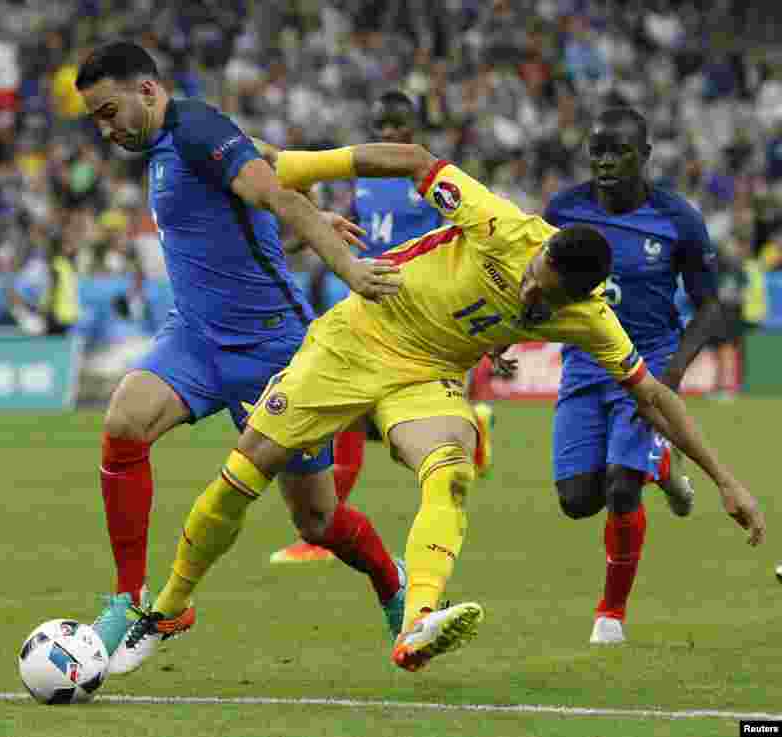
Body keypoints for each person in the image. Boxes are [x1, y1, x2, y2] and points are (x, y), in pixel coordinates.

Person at [117, 142, 765, 675]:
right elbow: (411, 157)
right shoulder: (499, 224)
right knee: (244, 473)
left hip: (425, 376)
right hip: (356, 337)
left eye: (545, 298)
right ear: (541, 248)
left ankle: (419, 617)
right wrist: (298, 162)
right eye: (534, 277)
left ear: (579, 296)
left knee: (450, 466)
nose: (531, 293)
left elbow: (653, 395)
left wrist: (726, 480)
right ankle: (171, 605)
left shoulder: (590, 317)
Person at [74, 41, 408, 673]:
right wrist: (303, 240)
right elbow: (240, 229)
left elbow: (283, 197)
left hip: (271, 350)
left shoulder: (200, 131)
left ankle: (393, 582)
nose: (106, 128)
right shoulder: (162, 148)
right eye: (96, 117)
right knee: (122, 425)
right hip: (195, 338)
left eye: (109, 111)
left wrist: (351, 270)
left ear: (148, 91)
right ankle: (130, 599)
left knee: (317, 519)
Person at [269, 90, 495, 564]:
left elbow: (466, 242)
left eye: (398, 126)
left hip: (426, 309)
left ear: (414, 130)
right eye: (381, 127)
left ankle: (470, 429)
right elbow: (344, 229)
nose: (389, 135)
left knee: (401, 417)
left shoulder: (433, 179)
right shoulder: (362, 184)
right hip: (372, 300)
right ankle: (323, 534)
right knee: (349, 414)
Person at [543, 108, 723, 645]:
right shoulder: (564, 209)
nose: (604, 161)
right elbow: (532, 278)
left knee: (623, 489)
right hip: (584, 363)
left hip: (646, 365)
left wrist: (669, 377)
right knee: (578, 501)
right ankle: (664, 462)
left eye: (617, 151)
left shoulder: (678, 219)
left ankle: (610, 615)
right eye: (596, 150)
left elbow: (710, 306)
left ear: (644, 157)